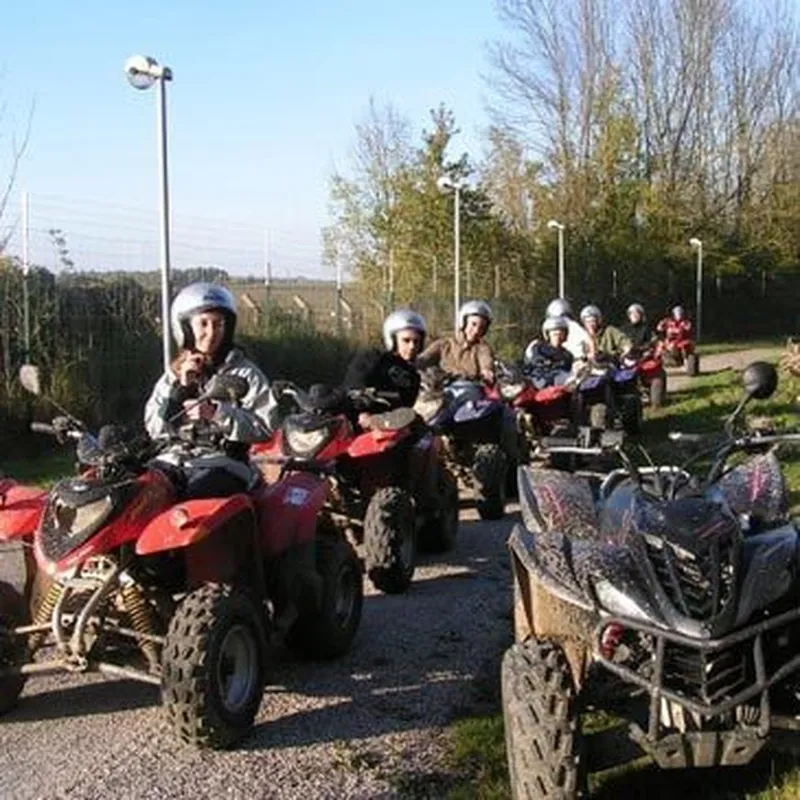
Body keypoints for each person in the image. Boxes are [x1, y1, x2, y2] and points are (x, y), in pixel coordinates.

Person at [144, 282, 273, 498]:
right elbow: (155, 429)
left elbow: (266, 427)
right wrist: (179, 389)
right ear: (186, 328)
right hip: (173, 460)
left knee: (198, 497)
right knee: (139, 494)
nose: (211, 333)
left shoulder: (246, 373)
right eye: (203, 324)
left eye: (218, 325)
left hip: (225, 464)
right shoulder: (174, 374)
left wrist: (218, 413)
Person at [322, 309, 426, 428]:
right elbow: (352, 385)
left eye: (416, 341)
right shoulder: (372, 357)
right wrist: (362, 408)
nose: (412, 346)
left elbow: (404, 410)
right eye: (406, 340)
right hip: (353, 418)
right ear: (393, 339)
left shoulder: (413, 376)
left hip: (386, 427)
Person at [417, 300, 495, 383]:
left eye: (482, 327)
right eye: (473, 324)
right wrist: (409, 363)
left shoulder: (482, 348)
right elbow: (424, 359)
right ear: (463, 322)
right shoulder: (444, 345)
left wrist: (487, 371)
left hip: (471, 389)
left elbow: (486, 360)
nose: (476, 331)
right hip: (442, 388)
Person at [523, 316, 574, 387]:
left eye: (561, 334)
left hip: (560, 387)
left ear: (565, 335)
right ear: (548, 334)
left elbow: (569, 371)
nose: (558, 337)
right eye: (555, 334)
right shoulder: (539, 348)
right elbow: (534, 362)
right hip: (540, 382)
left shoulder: (567, 355)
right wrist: (546, 363)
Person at [544, 298, 591, 363]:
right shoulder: (573, 324)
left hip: (573, 360)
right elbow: (589, 340)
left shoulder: (570, 324)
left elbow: (588, 340)